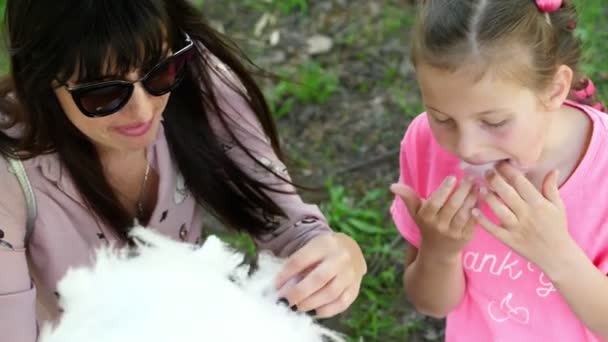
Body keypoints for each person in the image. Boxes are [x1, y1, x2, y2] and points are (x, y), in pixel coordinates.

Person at [0, 1, 367, 341]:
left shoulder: (197, 78)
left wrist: (337, 255)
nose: (143, 111)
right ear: (41, 84)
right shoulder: (9, 177)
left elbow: (289, 228)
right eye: (103, 94)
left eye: (159, 73)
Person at [389, 0, 608, 341]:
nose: (467, 148)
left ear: (554, 88)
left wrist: (558, 255)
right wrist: (440, 251)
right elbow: (432, 304)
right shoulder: (426, 144)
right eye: (442, 118)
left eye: (494, 122)